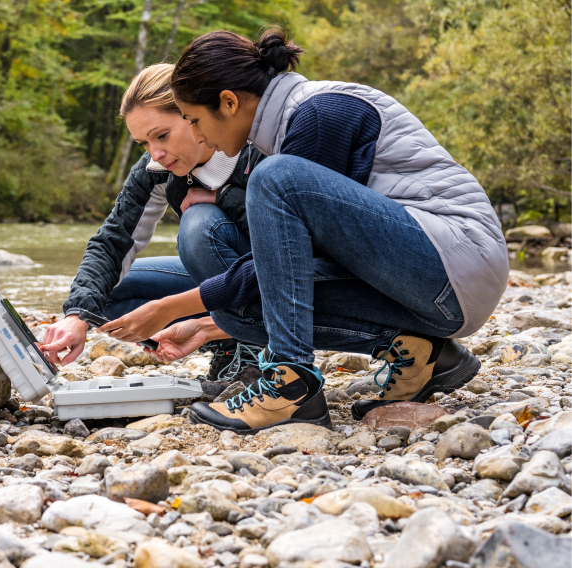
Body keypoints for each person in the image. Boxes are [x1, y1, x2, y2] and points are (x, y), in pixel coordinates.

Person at [118, 29, 507, 433]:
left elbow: (279, 263)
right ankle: (425, 356)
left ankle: (291, 386)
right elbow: (282, 268)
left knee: (274, 179)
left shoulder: (319, 114)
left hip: (455, 265)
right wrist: (205, 320)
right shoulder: (288, 127)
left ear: (229, 102)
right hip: (434, 289)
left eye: (195, 120)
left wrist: (170, 306)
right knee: (240, 310)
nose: (197, 135)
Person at [39, 63, 266, 386]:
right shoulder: (157, 167)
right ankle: (228, 345)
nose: (156, 153)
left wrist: (222, 197)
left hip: (282, 280)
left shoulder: (256, 147)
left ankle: (258, 347)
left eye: (162, 135)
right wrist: (76, 316)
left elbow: (291, 239)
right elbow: (112, 242)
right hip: (223, 283)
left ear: (192, 113)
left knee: (199, 225)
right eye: (144, 143)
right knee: (106, 296)